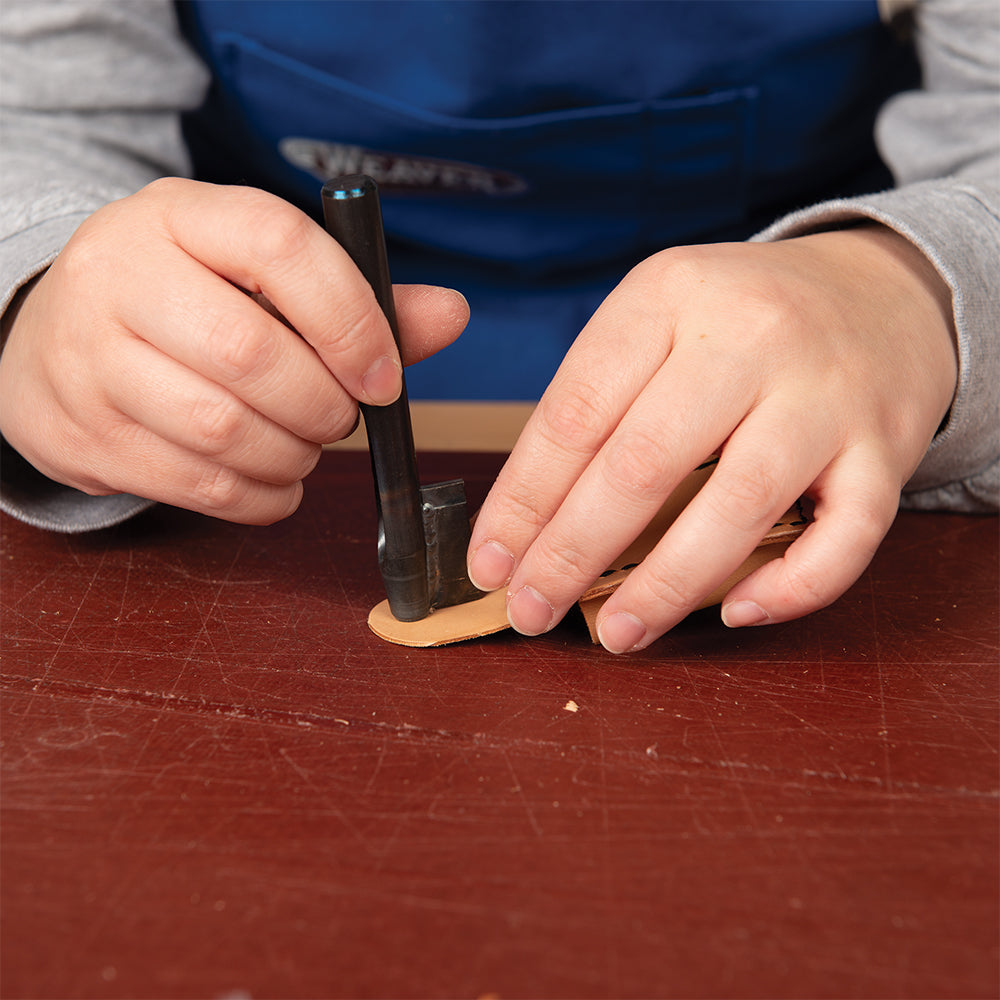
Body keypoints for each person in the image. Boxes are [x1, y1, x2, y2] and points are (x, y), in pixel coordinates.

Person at [1, 0, 996, 653]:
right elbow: (33, 120)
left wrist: (908, 296)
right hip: (265, 396)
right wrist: (39, 290)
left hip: (807, 390)